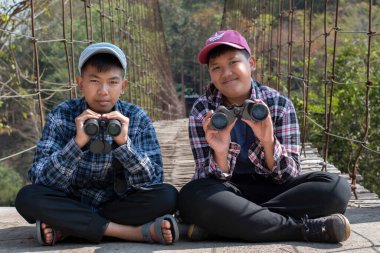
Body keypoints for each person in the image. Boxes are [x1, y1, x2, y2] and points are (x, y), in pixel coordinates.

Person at [178, 30, 352, 243]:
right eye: (216, 68)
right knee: (191, 196)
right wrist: (220, 152)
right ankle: (301, 229)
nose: (226, 73)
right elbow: (207, 177)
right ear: (211, 74)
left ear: (251, 63)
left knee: (336, 189)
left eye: (233, 62)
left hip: (275, 190)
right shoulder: (202, 109)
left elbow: (289, 175)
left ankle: (224, 225)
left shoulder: (279, 104)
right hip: (228, 191)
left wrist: (268, 142)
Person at [15, 42, 179, 246]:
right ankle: (131, 233)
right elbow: (39, 177)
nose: (103, 91)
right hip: (72, 200)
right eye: (94, 81)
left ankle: (68, 228)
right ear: (80, 83)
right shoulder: (62, 114)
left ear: (123, 85)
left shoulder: (136, 117)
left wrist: (124, 145)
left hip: (115, 204)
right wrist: (77, 144)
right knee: (27, 197)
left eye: (112, 82)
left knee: (167, 196)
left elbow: (153, 180)